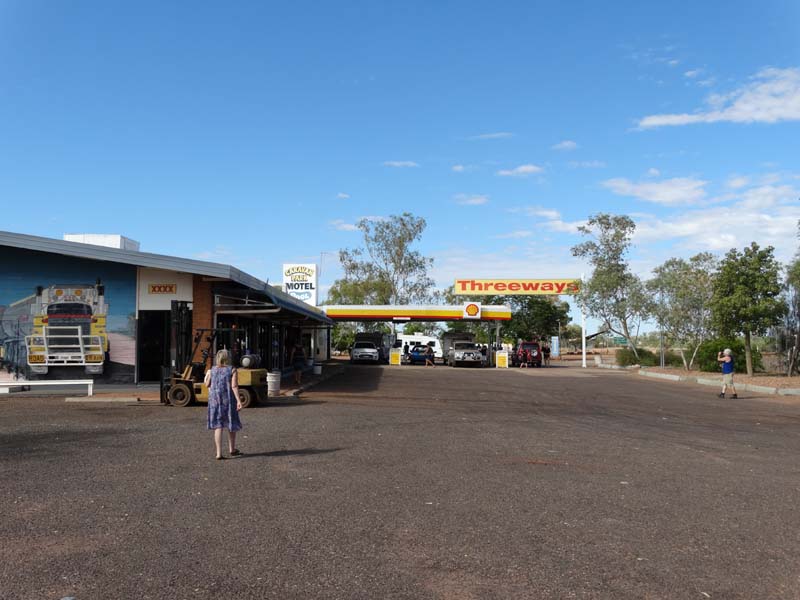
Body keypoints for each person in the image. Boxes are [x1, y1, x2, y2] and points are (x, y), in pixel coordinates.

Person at [204, 349, 243, 460]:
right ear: (228, 358)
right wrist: (239, 401)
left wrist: (209, 375)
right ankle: (232, 449)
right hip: (228, 400)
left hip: (215, 401)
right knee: (231, 423)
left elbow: (207, 384)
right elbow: (234, 386)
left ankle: (218, 453)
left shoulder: (212, 370)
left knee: (218, 425)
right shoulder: (232, 370)